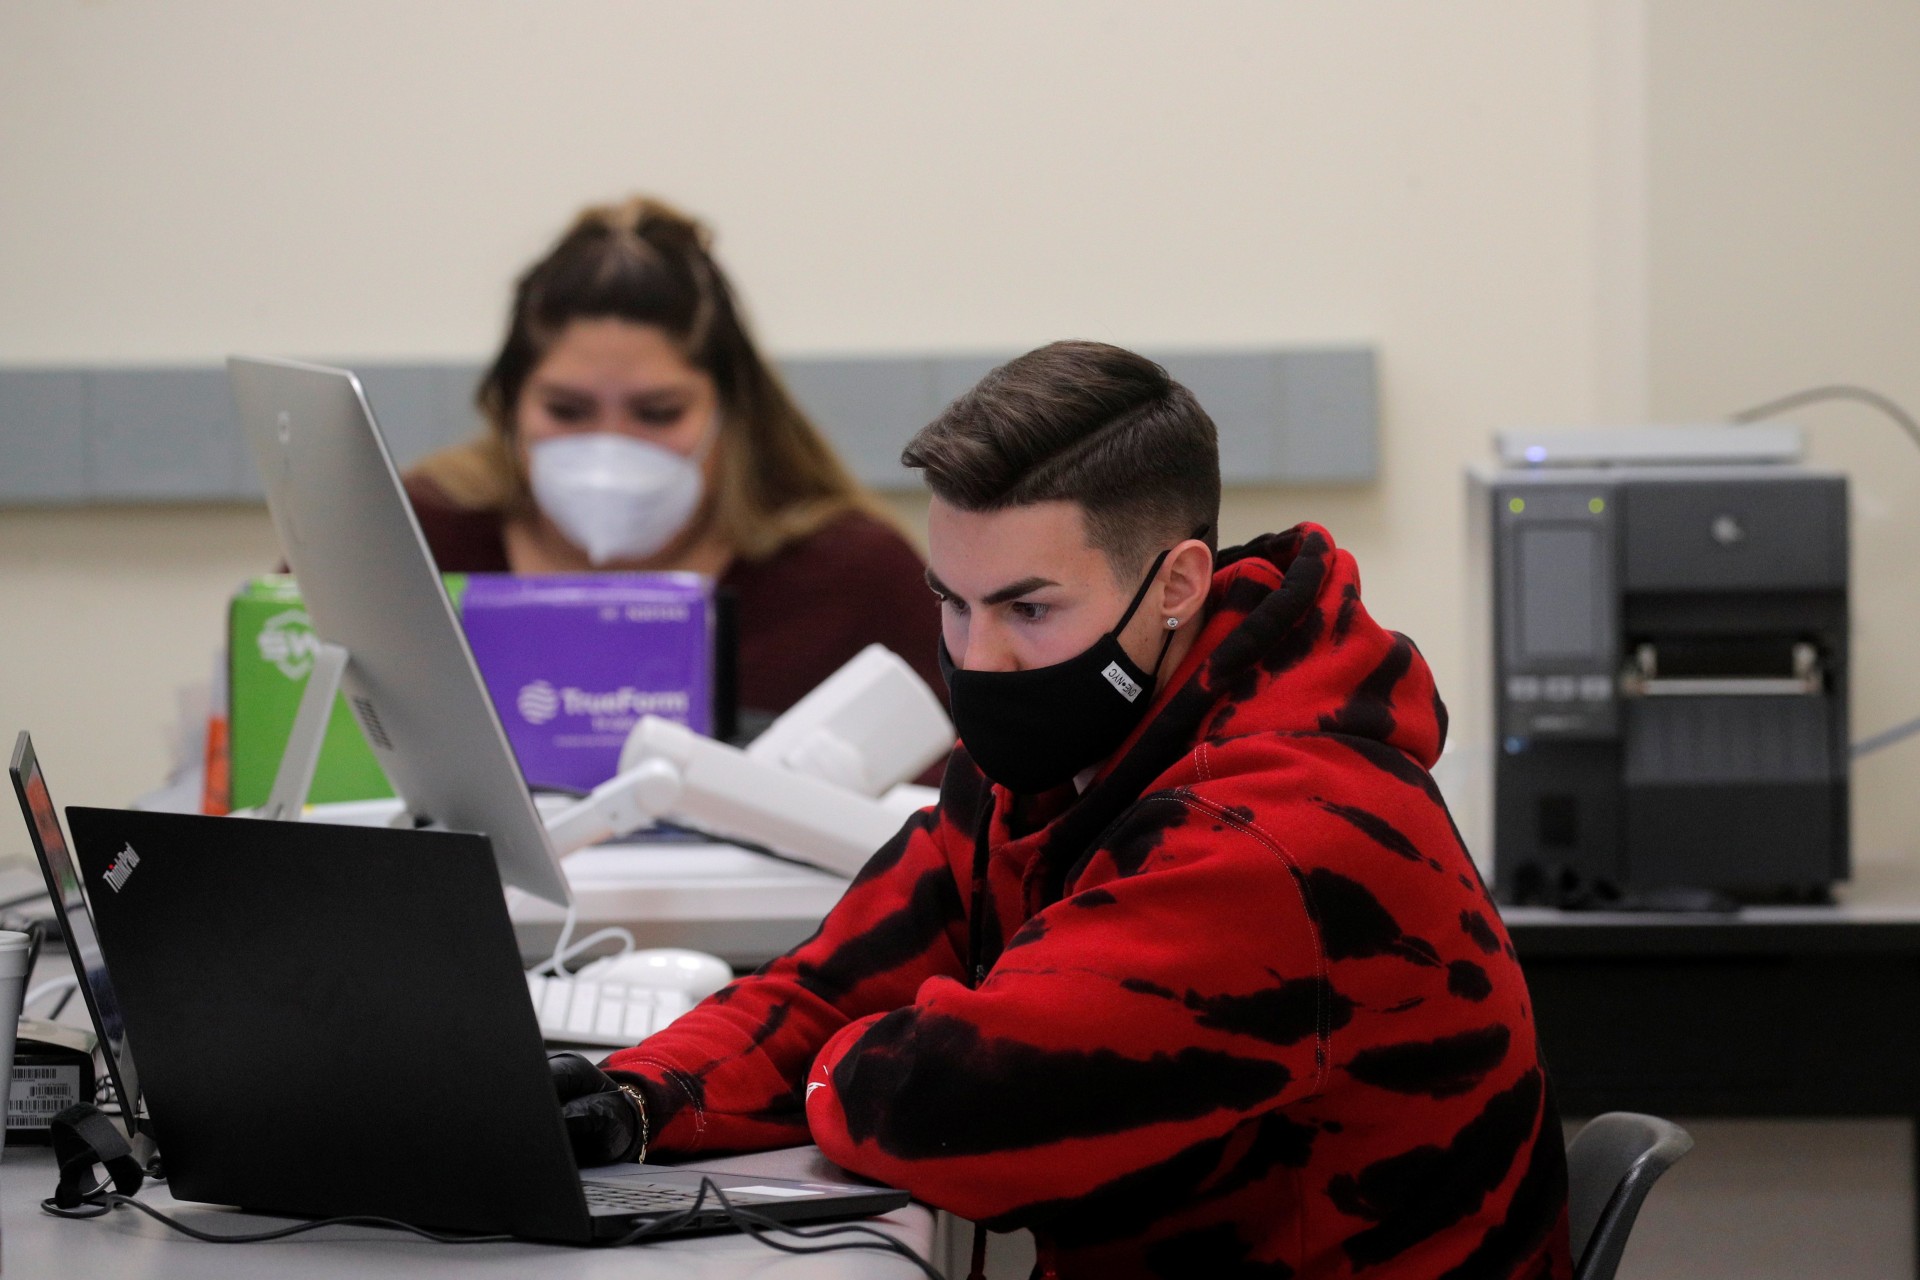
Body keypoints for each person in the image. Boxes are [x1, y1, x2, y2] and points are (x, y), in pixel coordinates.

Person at [546, 342, 1571, 1279]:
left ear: (1176, 583)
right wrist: (637, 1097)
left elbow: (942, 1104)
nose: (978, 658)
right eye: (953, 601)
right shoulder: (1052, 762)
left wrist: (867, 1049)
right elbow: (831, 988)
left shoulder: (1278, 839)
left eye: (1029, 608)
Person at [405, 196, 942, 719]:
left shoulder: (851, 577)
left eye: (657, 413)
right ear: (508, 407)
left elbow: (961, 793)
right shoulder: (416, 540)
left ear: (730, 413)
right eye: (567, 411)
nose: (609, 446)